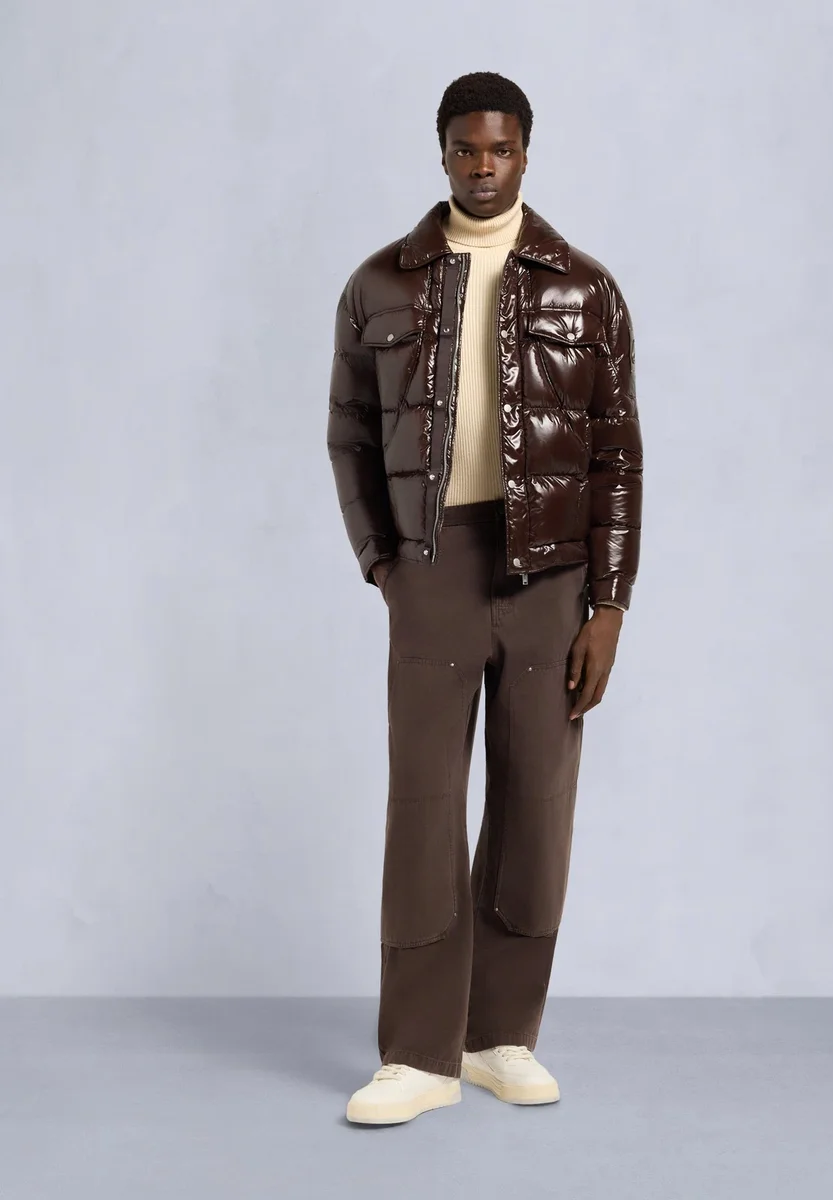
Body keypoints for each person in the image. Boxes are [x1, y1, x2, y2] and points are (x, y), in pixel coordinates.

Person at [327, 71, 643, 1125]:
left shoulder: (585, 289)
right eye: (465, 148)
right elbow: (349, 436)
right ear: (442, 152)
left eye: (500, 148)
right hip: (432, 568)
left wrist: (608, 605)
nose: (482, 165)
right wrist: (384, 567)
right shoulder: (379, 283)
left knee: (534, 805)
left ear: (525, 154)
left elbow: (617, 455)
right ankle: (418, 1055)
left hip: (551, 575)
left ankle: (498, 1037)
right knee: (423, 806)